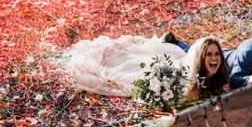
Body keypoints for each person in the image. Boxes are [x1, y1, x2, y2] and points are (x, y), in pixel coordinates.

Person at [63, 35, 228, 102]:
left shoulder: (219, 76)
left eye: (217, 54)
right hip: (162, 72)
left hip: (173, 63)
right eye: (209, 55)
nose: (214, 59)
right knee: (120, 71)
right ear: (200, 58)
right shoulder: (180, 82)